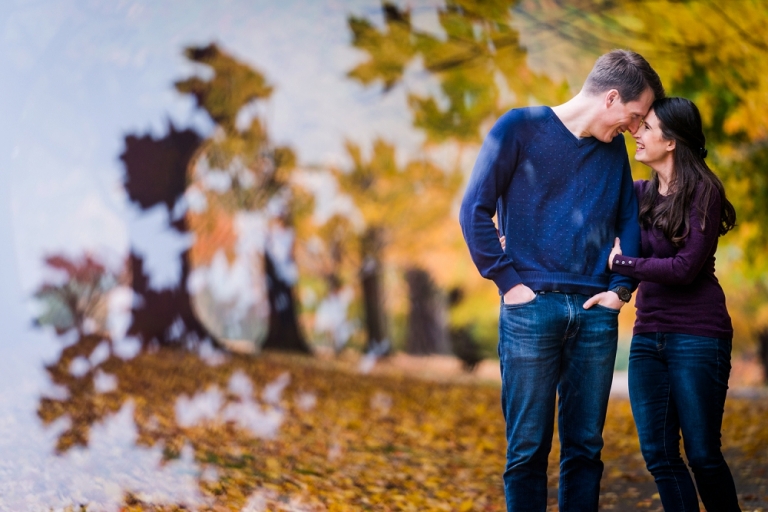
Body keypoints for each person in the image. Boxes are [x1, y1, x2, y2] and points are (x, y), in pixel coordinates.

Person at [459, 49, 664, 512]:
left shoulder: (612, 153)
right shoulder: (517, 128)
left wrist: (620, 290)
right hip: (530, 310)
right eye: (633, 116)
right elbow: (474, 210)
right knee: (527, 451)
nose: (634, 130)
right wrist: (508, 282)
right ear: (611, 98)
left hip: (594, 315)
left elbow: (627, 221)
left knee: (585, 452)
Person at [608, 97, 740, 511]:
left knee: (702, 456)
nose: (637, 133)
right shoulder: (638, 195)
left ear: (672, 141)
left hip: (698, 336)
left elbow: (683, 268)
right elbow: (583, 214)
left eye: (646, 126)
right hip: (647, 338)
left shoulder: (705, 191)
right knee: (661, 457)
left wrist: (624, 263)